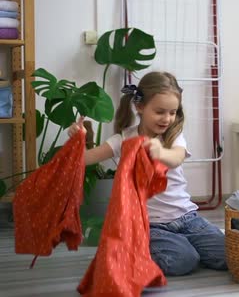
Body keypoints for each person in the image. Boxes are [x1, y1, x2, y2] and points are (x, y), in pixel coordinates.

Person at [68, 71, 227, 276]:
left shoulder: (174, 137)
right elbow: (84, 159)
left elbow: (176, 157)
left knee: (228, 255)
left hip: (187, 219)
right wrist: (77, 140)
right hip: (152, 225)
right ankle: (134, 251)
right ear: (140, 106)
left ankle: (186, 246)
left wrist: (160, 152)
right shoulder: (124, 139)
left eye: (172, 112)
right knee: (184, 260)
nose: (167, 119)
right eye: (160, 112)